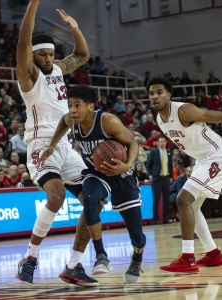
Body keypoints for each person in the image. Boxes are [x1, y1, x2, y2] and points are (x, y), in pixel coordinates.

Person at [146, 76, 222, 273]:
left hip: (217, 155)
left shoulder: (184, 110)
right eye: (151, 93)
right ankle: (213, 254)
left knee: (183, 200)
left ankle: (188, 257)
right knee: (192, 208)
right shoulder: (160, 120)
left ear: (168, 95)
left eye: (159, 92)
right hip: (204, 160)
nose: (155, 96)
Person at [15, 1, 98, 286]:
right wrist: (34, 4)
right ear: (34, 57)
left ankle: (74, 265)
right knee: (56, 196)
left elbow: (83, 55)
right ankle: (30, 257)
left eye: (52, 54)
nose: (49, 59)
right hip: (41, 145)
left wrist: (75, 28)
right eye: (44, 55)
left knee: (94, 199)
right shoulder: (28, 75)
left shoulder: (59, 69)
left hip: (65, 145)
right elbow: (24, 41)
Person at [38, 85, 146, 284]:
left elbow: (132, 143)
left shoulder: (107, 121)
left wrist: (127, 165)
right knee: (89, 200)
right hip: (96, 172)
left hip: (121, 173)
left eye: (77, 105)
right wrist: (53, 144)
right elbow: (63, 121)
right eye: (70, 105)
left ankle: (137, 258)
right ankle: (101, 256)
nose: (72, 110)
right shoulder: (71, 119)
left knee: (137, 236)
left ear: (90, 107)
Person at [146, 136, 173, 224]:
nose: (161, 143)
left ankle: (165, 218)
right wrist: (150, 175)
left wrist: (171, 176)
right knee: (156, 200)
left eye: (163, 141)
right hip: (157, 178)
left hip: (166, 177)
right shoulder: (154, 152)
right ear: (158, 143)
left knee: (166, 199)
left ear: (166, 142)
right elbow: (148, 164)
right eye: (160, 141)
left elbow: (170, 166)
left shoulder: (169, 152)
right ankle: (156, 219)